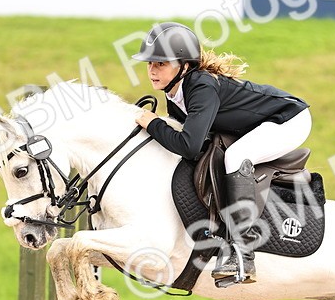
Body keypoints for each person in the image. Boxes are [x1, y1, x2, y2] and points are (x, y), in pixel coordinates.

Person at [132, 22, 311, 286]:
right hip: (258, 122)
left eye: (161, 64)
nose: (152, 70)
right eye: (149, 63)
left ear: (185, 65)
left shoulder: (201, 86)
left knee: (236, 157)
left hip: (289, 119)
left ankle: (243, 252)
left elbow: (189, 146)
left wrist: (153, 123)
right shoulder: (174, 92)